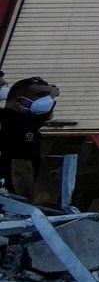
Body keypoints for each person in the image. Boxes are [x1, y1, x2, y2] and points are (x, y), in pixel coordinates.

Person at [0, 77, 60, 208]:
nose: (45, 101)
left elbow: (37, 121)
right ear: (18, 101)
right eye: (40, 96)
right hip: (10, 194)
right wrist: (24, 201)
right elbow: (20, 169)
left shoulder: (13, 120)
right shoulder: (18, 125)